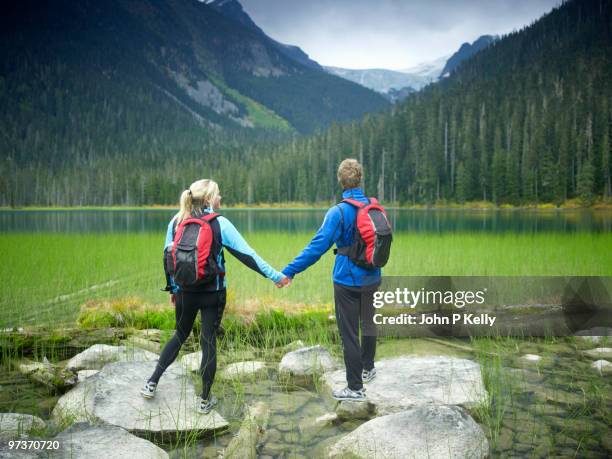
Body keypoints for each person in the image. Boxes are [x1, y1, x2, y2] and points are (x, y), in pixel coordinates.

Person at [140, 179, 290, 414]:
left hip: (185, 292)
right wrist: (276, 276)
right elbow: (247, 255)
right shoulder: (220, 223)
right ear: (209, 199)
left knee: (180, 334)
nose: (221, 199)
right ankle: (204, 400)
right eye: (219, 195)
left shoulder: (176, 220)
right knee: (208, 341)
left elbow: (168, 258)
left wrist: (173, 289)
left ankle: (151, 382)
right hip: (213, 293)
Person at [281, 159, 381, 402]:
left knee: (349, 333)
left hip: (346, 280)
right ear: (360, 179)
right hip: (373, 277)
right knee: (368, 324)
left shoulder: (338, 212)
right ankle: (368, 368)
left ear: (341, 181)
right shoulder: (373, 207)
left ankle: (355, 388)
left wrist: (290, 270)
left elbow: (317, 247)